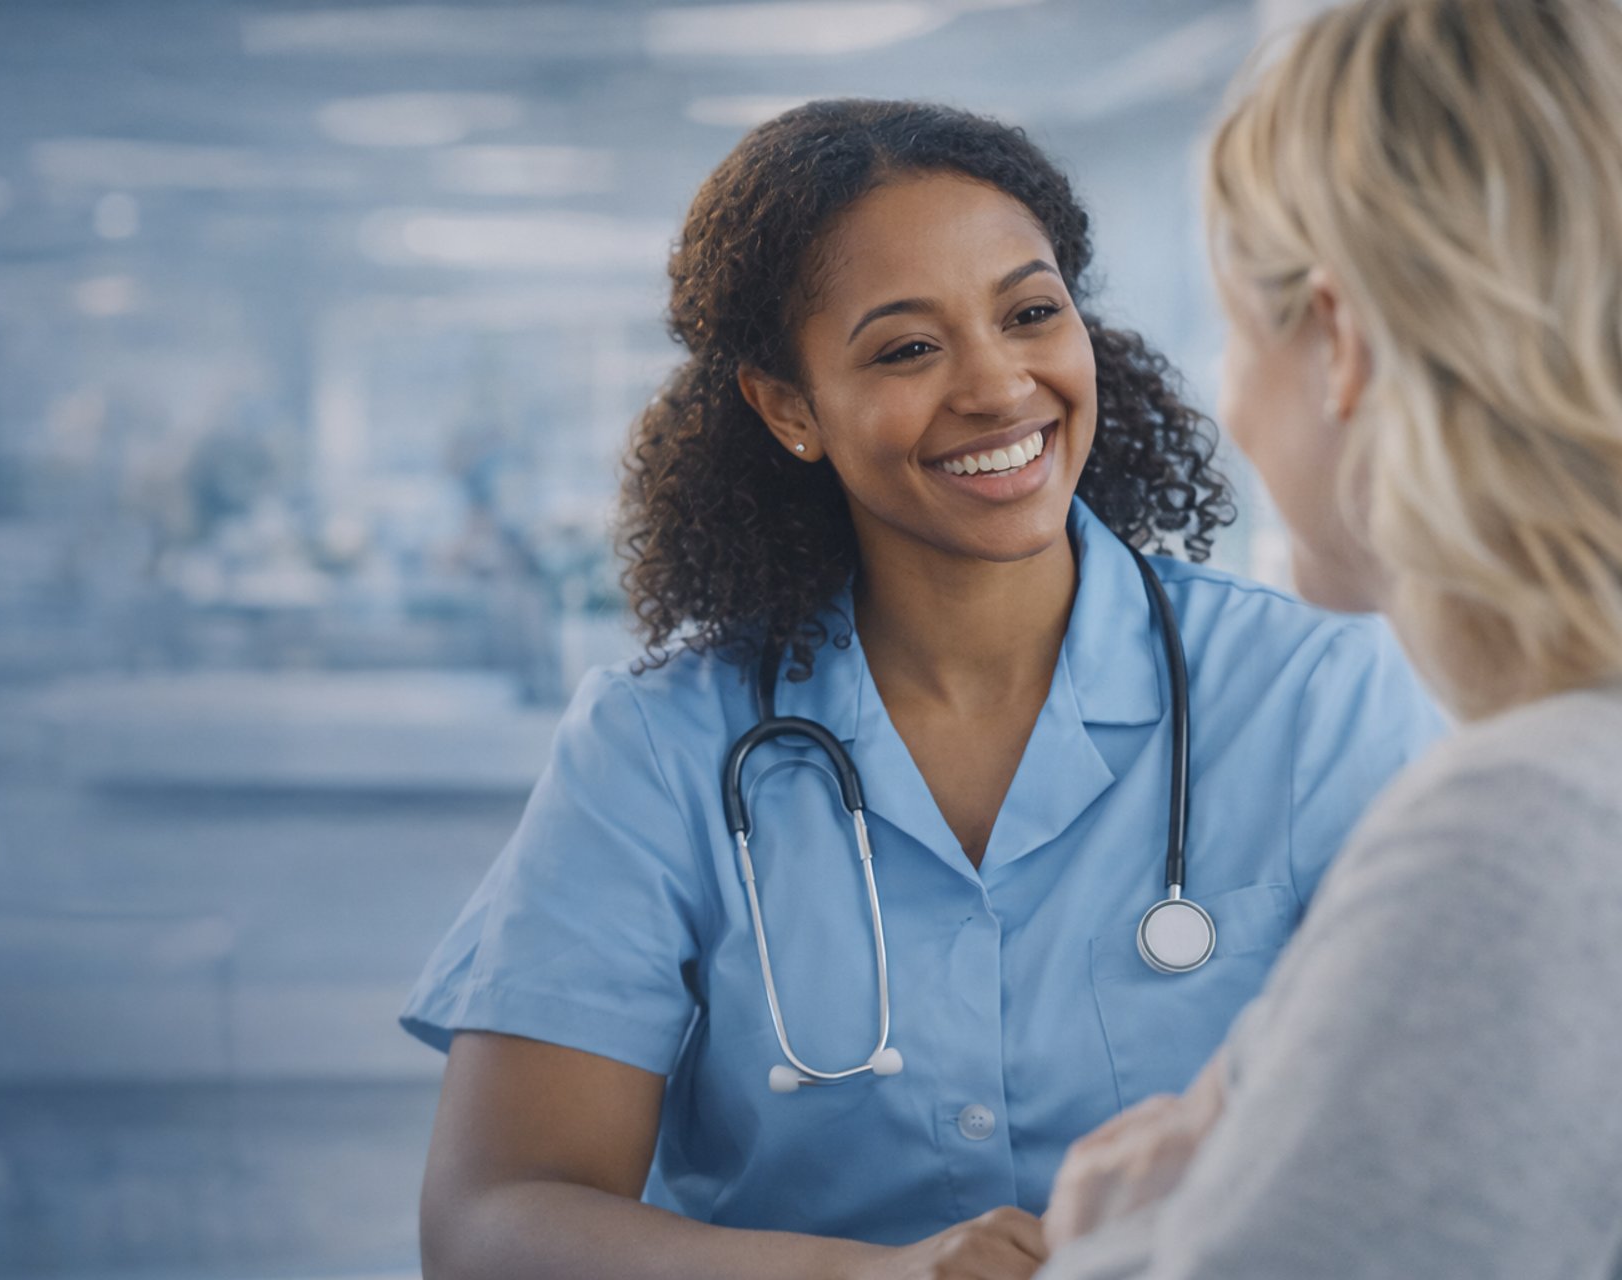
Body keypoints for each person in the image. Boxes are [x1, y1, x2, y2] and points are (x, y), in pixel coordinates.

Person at [401, 99, 1446, 1280]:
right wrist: (880, 1277)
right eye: (908, 347)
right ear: (789, 406)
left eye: (1031, 313)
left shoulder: (1317, 696)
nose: (1000, 387)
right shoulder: (656, 747)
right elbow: (496, 1217)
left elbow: (1463, 1131)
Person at [1039, 2, 1622, 1275]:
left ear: (1340, 344)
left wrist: (1113, 1241)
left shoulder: (1522, 829)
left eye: (1238, 328)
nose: (1228, 390)